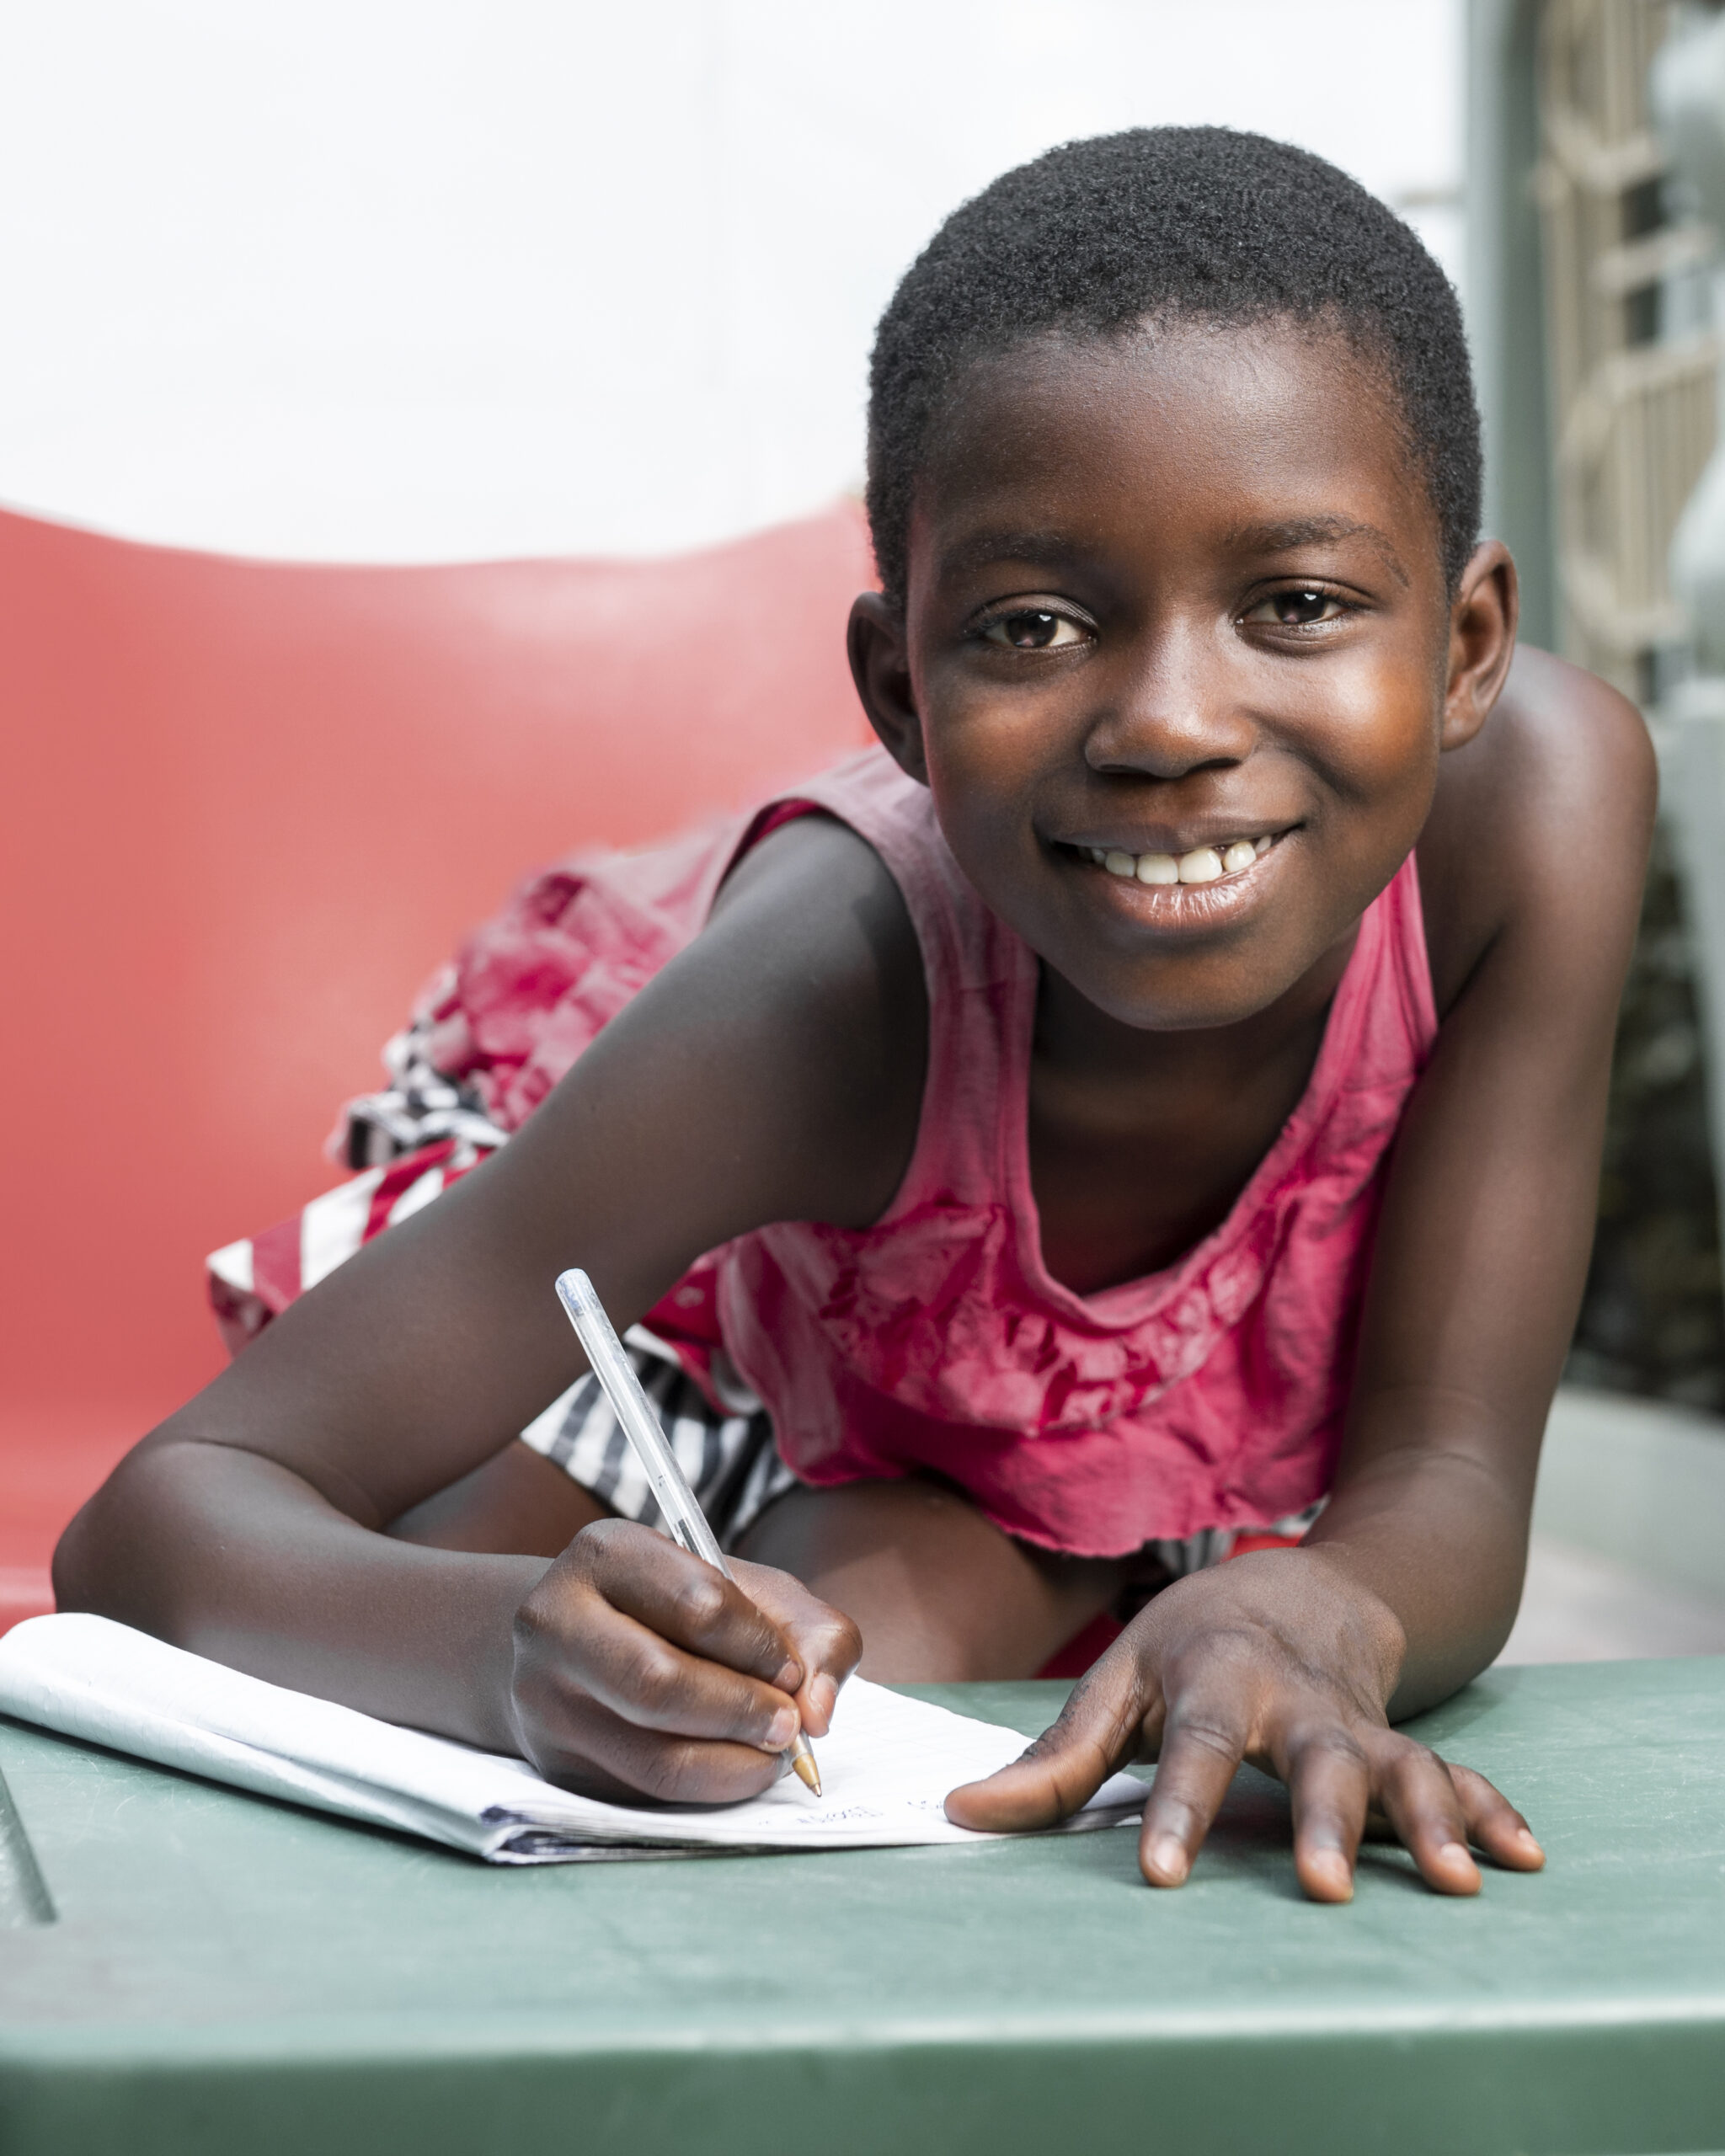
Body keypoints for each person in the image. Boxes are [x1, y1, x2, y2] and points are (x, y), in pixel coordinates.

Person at [56, 127, 1652, 1903]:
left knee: (913, 1674)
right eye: (1035, 625)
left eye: (1295, 603)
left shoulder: (1539, 818)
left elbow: (1442, 1465)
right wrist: (502, 1642)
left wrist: (1317, 1597)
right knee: (563, 1670)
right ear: (899, 686)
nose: (1171, 722)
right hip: (701, 1290)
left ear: (1467, 646)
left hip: (999, 1425)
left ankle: (1038, 1562)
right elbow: (164, 1519)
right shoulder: (817, 986)